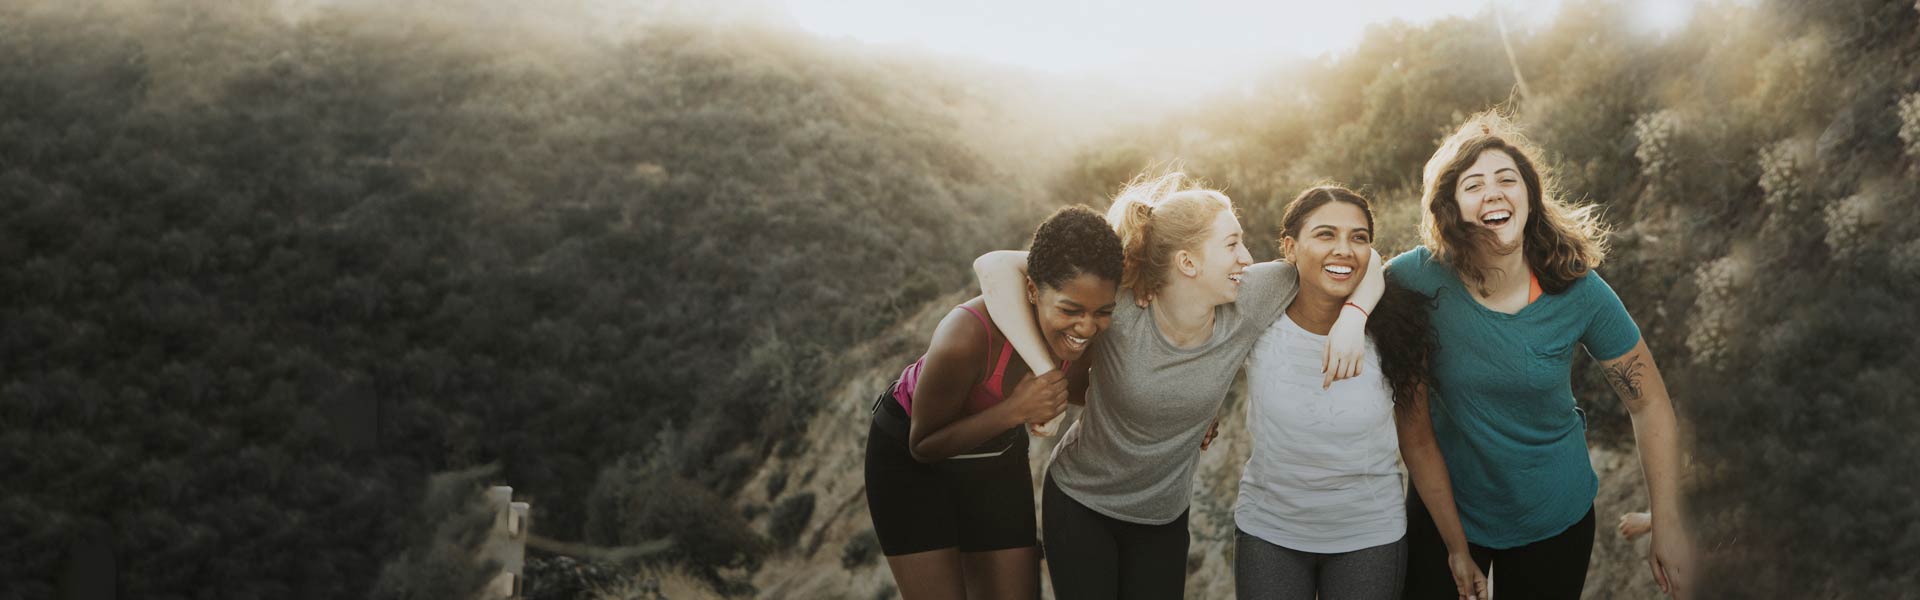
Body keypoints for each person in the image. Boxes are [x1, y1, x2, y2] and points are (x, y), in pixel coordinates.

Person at [973, 172, 1382, 599]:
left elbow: (1363, 259)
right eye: (1231, 244)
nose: (1246, 257)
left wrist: (1354, 315)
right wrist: (1047, 374)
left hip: (1163, 520)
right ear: (1188, 263)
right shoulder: (1123, 304)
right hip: (1081, 503)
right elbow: (994, 266)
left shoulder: (1253, 295)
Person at [1390, 112, 1694, 599]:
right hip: (1446, 506)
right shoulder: (1418, 277)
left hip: (1553, 513)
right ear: (1450, 208)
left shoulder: (1578, 288)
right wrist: (1348, 319)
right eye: (1473, 184)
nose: (1493, 192)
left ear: (1529, 197)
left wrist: (1668, 521)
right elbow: (1341, 274)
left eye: (1507, 179)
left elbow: (1649, 402)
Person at [1234, 185, 1487, 600]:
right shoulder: (1260, 316)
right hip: (1269, 531)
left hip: (1369, 536)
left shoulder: (1396, 332)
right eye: (1325, 234)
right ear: (1290, 247)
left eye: (1358, 237)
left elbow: (1419, 443)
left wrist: (1457, 549)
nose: (1344, 250)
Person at [863, 205, 1122, 600]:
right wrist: (1015, 411)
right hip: (910, 461)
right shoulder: (965, 336)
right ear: (1033, 290)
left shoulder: (1082, 337)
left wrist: (1183, 416)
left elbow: (1101, 394)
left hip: (994, 454)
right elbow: (923, 445)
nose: (1086, 327)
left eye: (1102, 312)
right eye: (1070, 310)